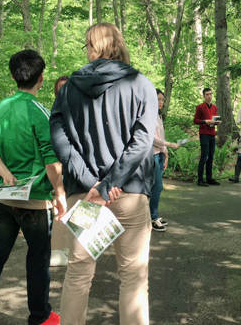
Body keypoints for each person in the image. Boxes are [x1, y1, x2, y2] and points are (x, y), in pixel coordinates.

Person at [49, 22, 157, 325]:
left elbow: (59, 138)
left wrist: (90, 181)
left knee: (79, 272)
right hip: (129, 194)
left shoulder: (69, 88)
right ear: (118, 44)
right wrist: (112, 181)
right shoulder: (141, 84)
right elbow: (143, 141)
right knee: (134, 276)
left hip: (87, 196)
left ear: (91, 47)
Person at [0, 50, 65, 325]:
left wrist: (6, 175)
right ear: (41, 78)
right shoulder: (40, 112)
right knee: (37, 260)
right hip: (34, 201)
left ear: (13, 76)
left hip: (2, 199)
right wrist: (60, 194)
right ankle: (40, 317)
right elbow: (51, 160)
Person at [151, 89, 179, 232]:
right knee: (157, 186)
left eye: (162, 99)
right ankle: (152, 217)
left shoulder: (158, 116)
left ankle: (154, 215)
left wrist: (166, 153)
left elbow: (161, 134)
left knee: (157, 186)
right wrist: (168, 144)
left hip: (160, 154)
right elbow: (152, 139)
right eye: (158, 99)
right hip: (153, 155)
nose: (160, 102)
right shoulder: (148, 116)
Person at [50, 76, 70, 267]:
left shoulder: (80, 110)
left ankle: (70, 248)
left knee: (77, 207)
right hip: (57, 167)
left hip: (76, 169)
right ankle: (56, 251)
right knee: (60, 206)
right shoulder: (53, 113)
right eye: (60, 89)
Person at [193, 87, 220, 186]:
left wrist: (216, 122)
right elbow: (195, 120)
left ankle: (209, 178)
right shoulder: (200, 107)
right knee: (204, 156)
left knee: (211, 157)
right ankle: (200, 179)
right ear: (204, 96)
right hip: (204, 134)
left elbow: (215, 118)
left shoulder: (214, 107)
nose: (209, 96)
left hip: (212, 133)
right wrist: (205, 121)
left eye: (210, 94)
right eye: (207, 94)